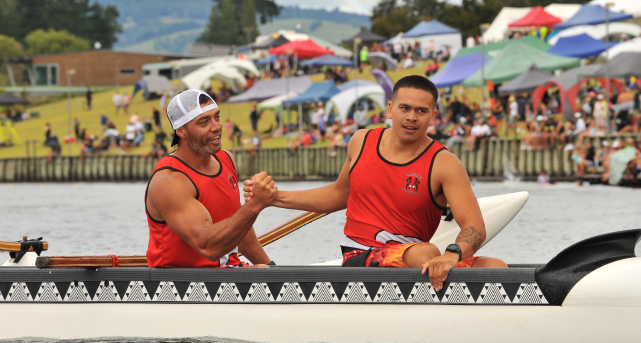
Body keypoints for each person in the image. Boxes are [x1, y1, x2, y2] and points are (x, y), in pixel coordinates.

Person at [244, 75, 505, 292]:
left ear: (433, 116)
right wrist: (274, 198)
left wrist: (451, 255)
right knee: (426, 253)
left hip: (413, 256)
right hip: (361, 256)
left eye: (421, 111)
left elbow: (474, 227)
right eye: (405, 108)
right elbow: (338, 195)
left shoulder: (445, 164)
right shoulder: (361, 141)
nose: (412, 117)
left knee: (495, 268)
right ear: (391, 109)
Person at [145, 89, 274, 268]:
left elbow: (239, 229)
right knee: (261, 272)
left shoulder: (226, 159)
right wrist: (255, 205)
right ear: (181, 131)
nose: (216, 126)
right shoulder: (169, 180)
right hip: (181, 285)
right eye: (204, 122)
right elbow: (207, 247)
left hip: (228, 275)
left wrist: (274, 268)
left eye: (217, 117)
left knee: (265, 269)